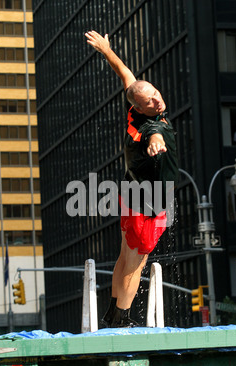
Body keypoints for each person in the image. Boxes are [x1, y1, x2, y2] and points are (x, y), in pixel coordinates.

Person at [85, 31, 178, 327]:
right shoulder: (150, 126)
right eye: (149, 102)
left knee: (125, 256)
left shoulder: (135, 105)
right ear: (139, 108)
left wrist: (107, 50)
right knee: (136, 264)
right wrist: (155, 143)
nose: (156, 101)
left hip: (131, 192)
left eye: (156, 95)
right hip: (148, 204)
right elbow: (155, 135)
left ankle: (113, 312)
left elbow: (125, 74)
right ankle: (121, 321)